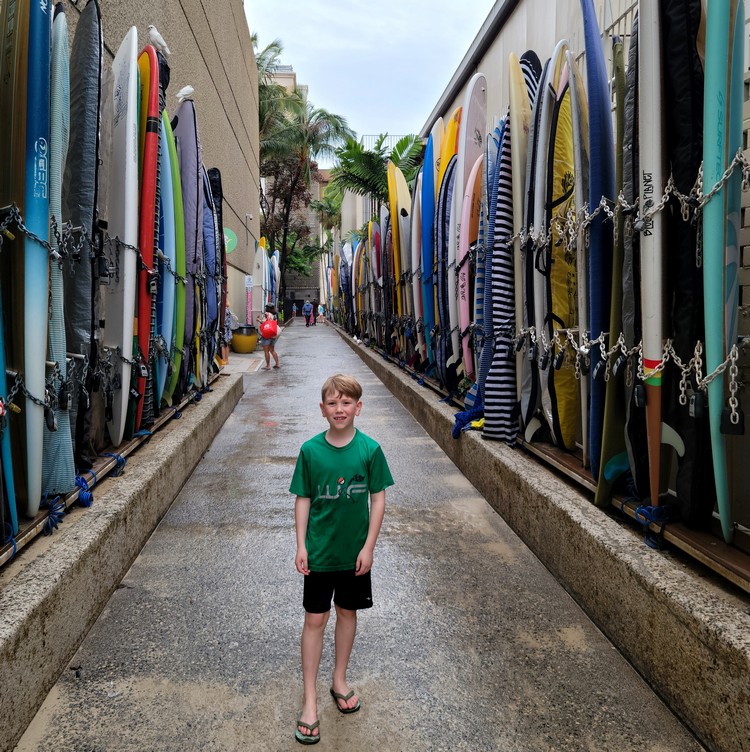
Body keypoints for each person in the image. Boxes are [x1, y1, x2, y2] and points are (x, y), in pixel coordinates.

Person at [289, 374, 393, 745]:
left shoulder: (369, 450)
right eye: (332, 403)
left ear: (358, 407)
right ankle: (309, 700)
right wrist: (301, 545)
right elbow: (303, 498)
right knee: (315, 619)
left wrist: (369, 547)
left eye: (346, 402)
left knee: (347, 613)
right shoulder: (310, 451)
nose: (339, 409)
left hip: (353, 557)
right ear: (322, 409)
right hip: (319, 554)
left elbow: (378, 499)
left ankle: (339, 679)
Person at [256, 304, 280, 369]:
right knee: (272, 350)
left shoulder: (266, 314)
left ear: (268, 308)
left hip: (267, 334)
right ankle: (277, 363)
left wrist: (258, 320)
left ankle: (268, 365)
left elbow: (264, 322)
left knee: (266, 351)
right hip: (273, 334)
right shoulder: (275, 315)